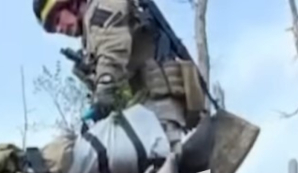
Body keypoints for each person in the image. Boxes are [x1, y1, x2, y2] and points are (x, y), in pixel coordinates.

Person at [32, 0, 207, 152]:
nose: (60, 29)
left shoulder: (101, 7)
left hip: (157, 102)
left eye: (57, 20)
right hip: (145, 108)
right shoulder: (91, 28)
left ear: (69, 3)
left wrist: (103, 94)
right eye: (55, 29)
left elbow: (113, 51)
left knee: (165, 172)